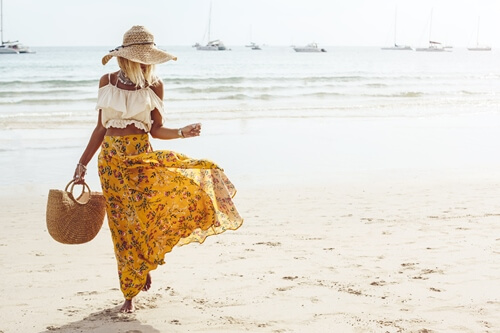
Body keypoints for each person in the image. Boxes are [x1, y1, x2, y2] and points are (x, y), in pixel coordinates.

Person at [73, 26, 243, 313]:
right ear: (126, 58)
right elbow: (101, 128)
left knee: (144, 219)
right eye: (141, 58)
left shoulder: (155, 86)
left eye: (148, 58)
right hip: (111, 164)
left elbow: (156, 130)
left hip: (141, 160)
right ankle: (129, 292)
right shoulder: (107, 81)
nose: (146, 63)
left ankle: (143, 262)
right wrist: (81, 164)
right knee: (121, 227)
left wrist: (181, 132)